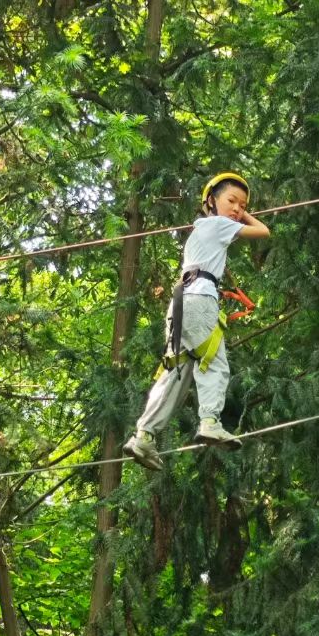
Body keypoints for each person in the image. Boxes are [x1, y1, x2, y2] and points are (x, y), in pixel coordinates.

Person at [123, 171, 270, 471]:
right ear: (211, 201)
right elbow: (264, 232)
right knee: (215, 363)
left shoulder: (200, 230)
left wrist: (234, 210)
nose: (238, 210)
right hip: (200, 300)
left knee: (176, 372)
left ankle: (144, 435)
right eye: (232, 201)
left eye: (242, 206)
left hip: (180, 305)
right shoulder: (217, 224)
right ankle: (210, 421)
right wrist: (243, 217)